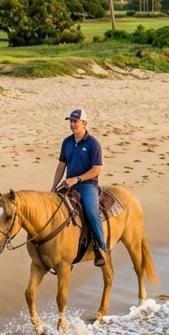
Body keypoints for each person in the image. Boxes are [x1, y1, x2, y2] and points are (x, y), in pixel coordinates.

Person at [53, 108, 108, 267]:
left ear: (84, 124)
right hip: (68, 183)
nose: (72, 124)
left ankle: (101, 247)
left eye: (75, 121)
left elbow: (97, 169)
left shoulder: (93, 143)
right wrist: (54, 187)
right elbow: (61, 166)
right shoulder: (67, 142)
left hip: (87, 185)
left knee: (91, 212)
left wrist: (76, 179)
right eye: (70, 121)